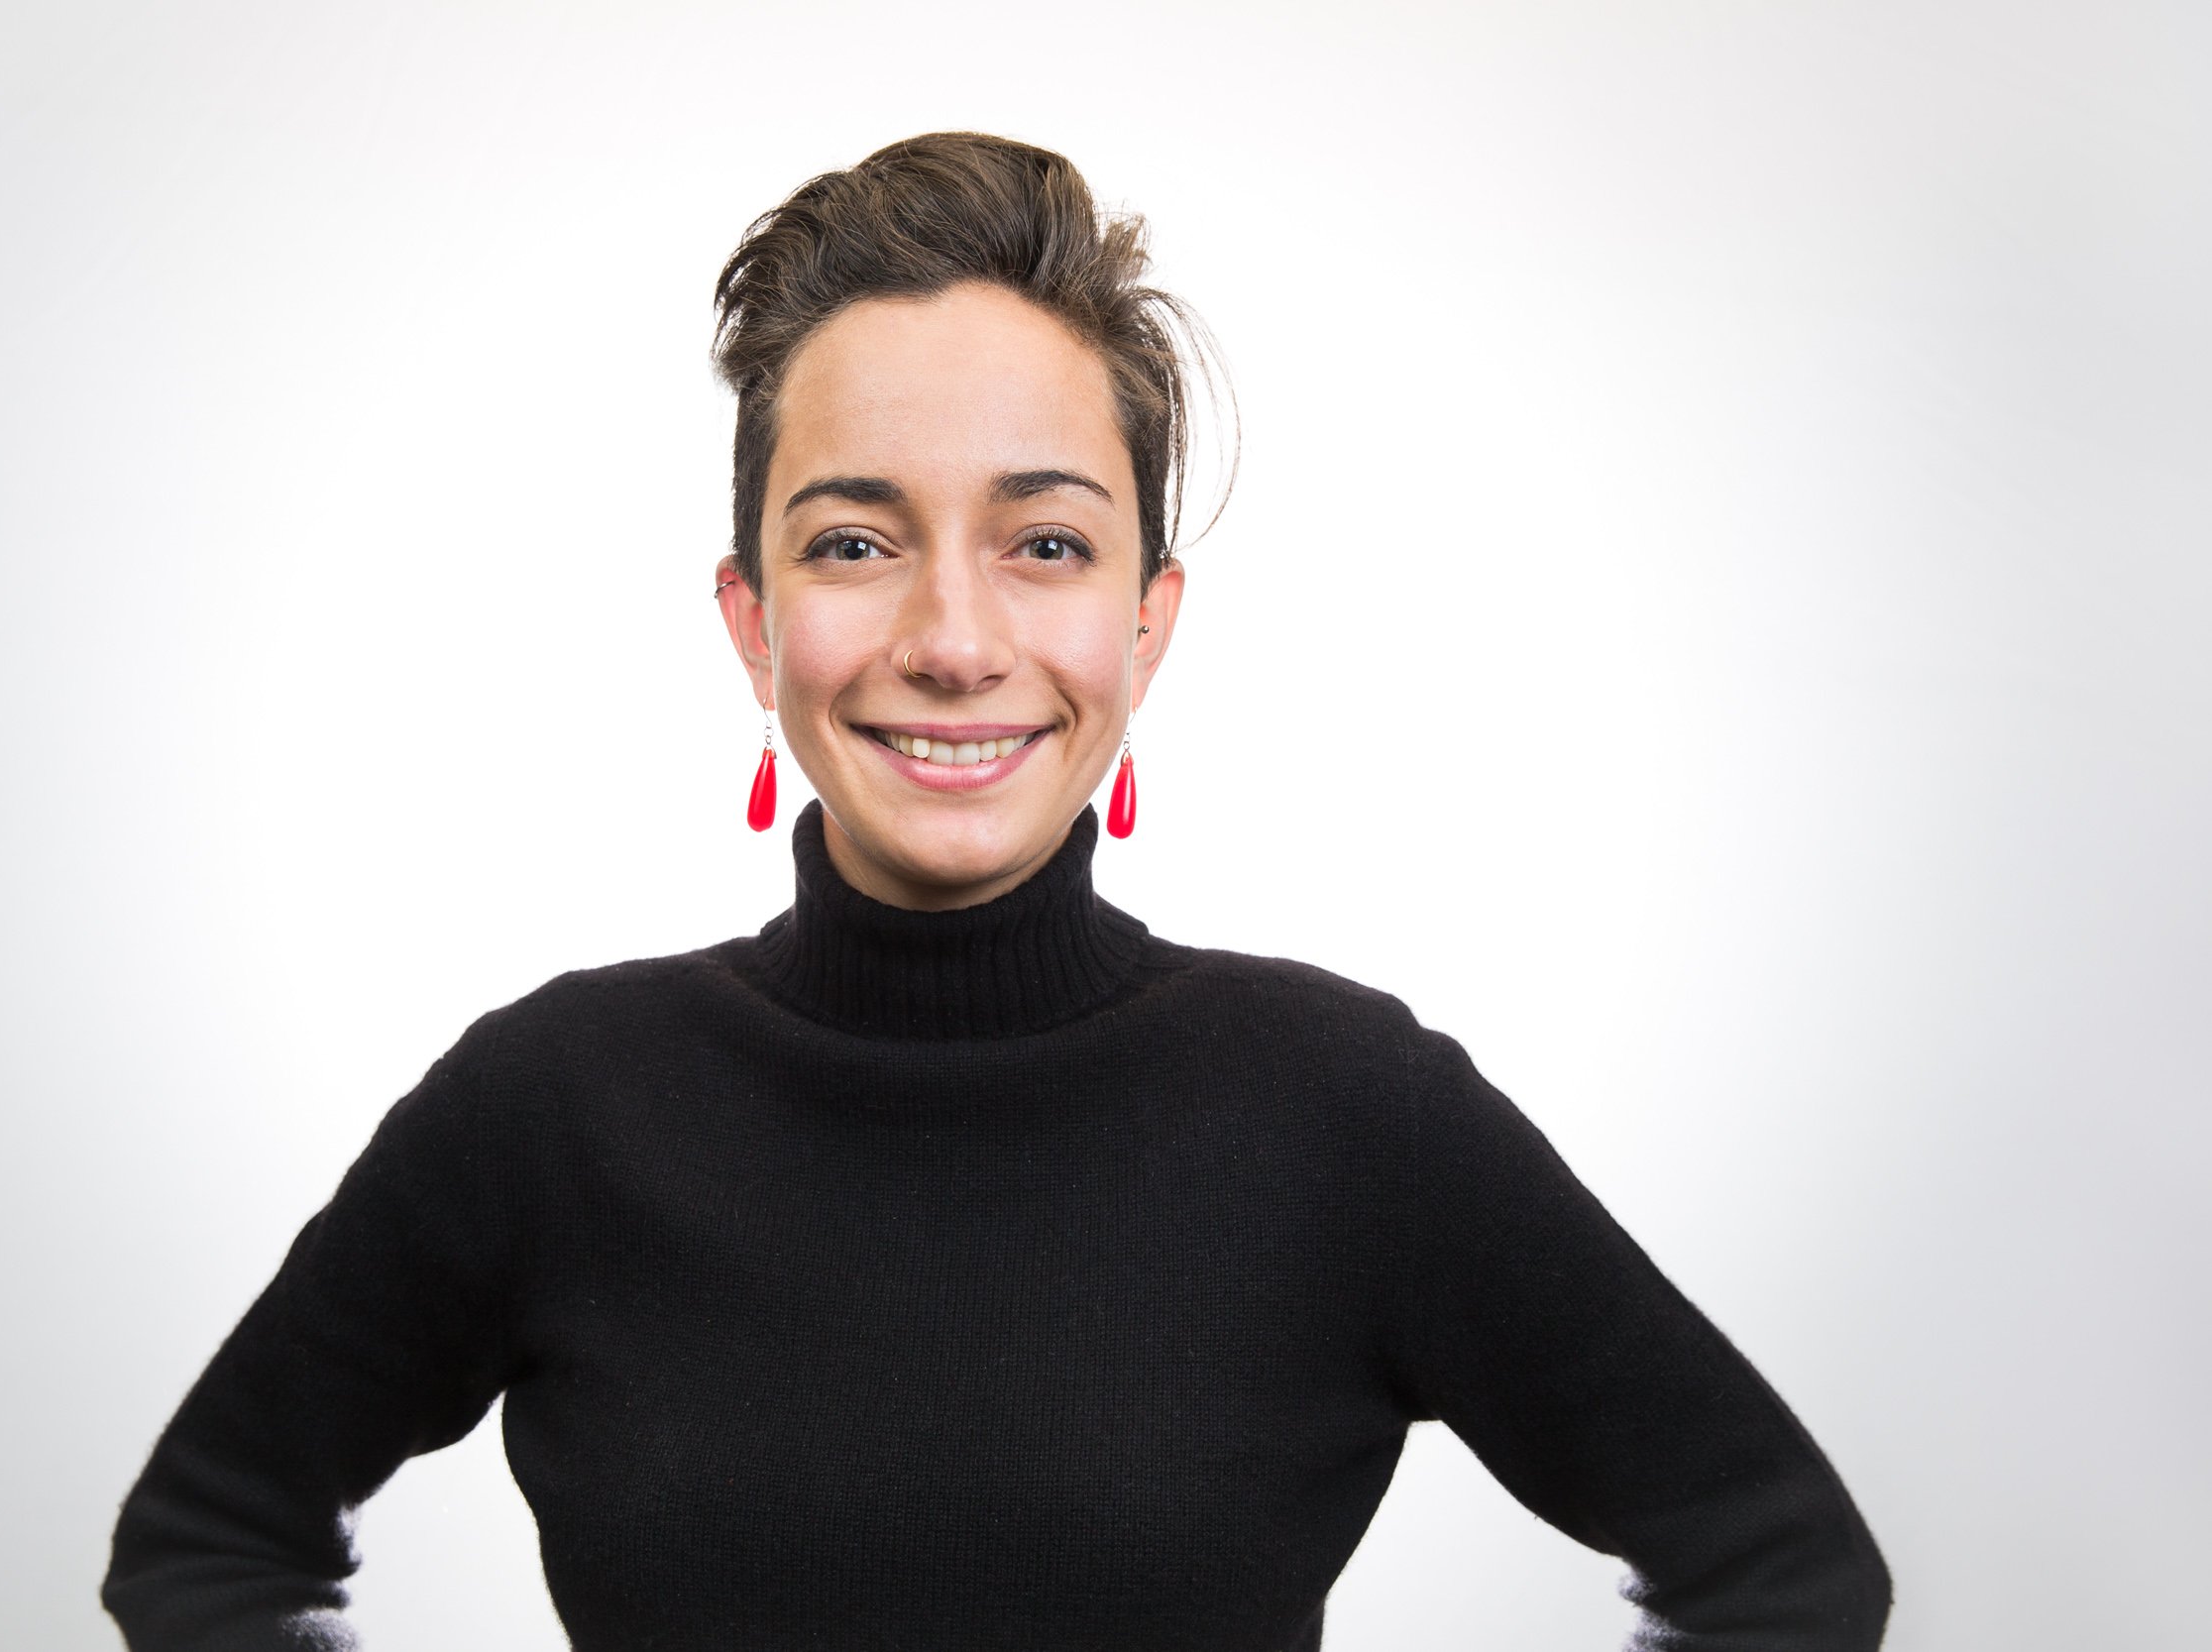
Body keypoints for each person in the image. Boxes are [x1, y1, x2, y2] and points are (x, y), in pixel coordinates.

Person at [102, 132, 1893, 1651]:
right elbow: (207, 1540)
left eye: (1044, 543)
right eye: (856, 542)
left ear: (1145, 624)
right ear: (752, 625)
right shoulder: (550, 1108)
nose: (953, 642)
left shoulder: (1355, 1112)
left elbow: (1781, 1569)